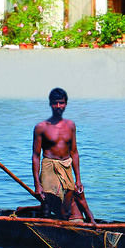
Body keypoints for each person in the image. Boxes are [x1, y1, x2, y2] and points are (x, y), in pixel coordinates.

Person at [32, 87, 95, 223]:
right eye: (55, 103)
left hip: (66, 166)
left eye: (61, 103)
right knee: (51, 203)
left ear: (66, 104)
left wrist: (78, 179)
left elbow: (74, 152)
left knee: (67, 212)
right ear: (50, 104)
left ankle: (37, 212)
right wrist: (37, 183)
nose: (58, 106)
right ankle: (45, 221)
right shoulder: (41, 127)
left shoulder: (70, 126)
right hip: (50, 166)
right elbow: (36, 156)